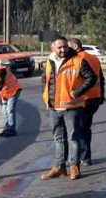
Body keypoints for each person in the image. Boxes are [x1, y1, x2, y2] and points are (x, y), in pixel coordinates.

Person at [40, 37, 97, 181]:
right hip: (54, 107)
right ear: (52, 48)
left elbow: (92, 78)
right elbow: (45, 80)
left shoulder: (77, 60)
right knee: (58, 138)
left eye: (65, 46)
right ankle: (59, 167)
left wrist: (77, 92)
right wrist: (46, 97)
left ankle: (74, 167)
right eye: (59, 47)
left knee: (73, 138)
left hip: (72, 107)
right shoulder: (49, 61)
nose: (63, 50)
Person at [67, 38, 105, 166]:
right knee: (86, 128)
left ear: (76, 46)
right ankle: (85, 155)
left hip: (83, 98)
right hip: (95, 97)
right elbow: (101, 78)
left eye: (69, 47)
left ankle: (84, 156)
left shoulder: (77, 60)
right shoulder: (94, 58)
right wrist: (101, 96)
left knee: (79, 129)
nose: (66, 50)